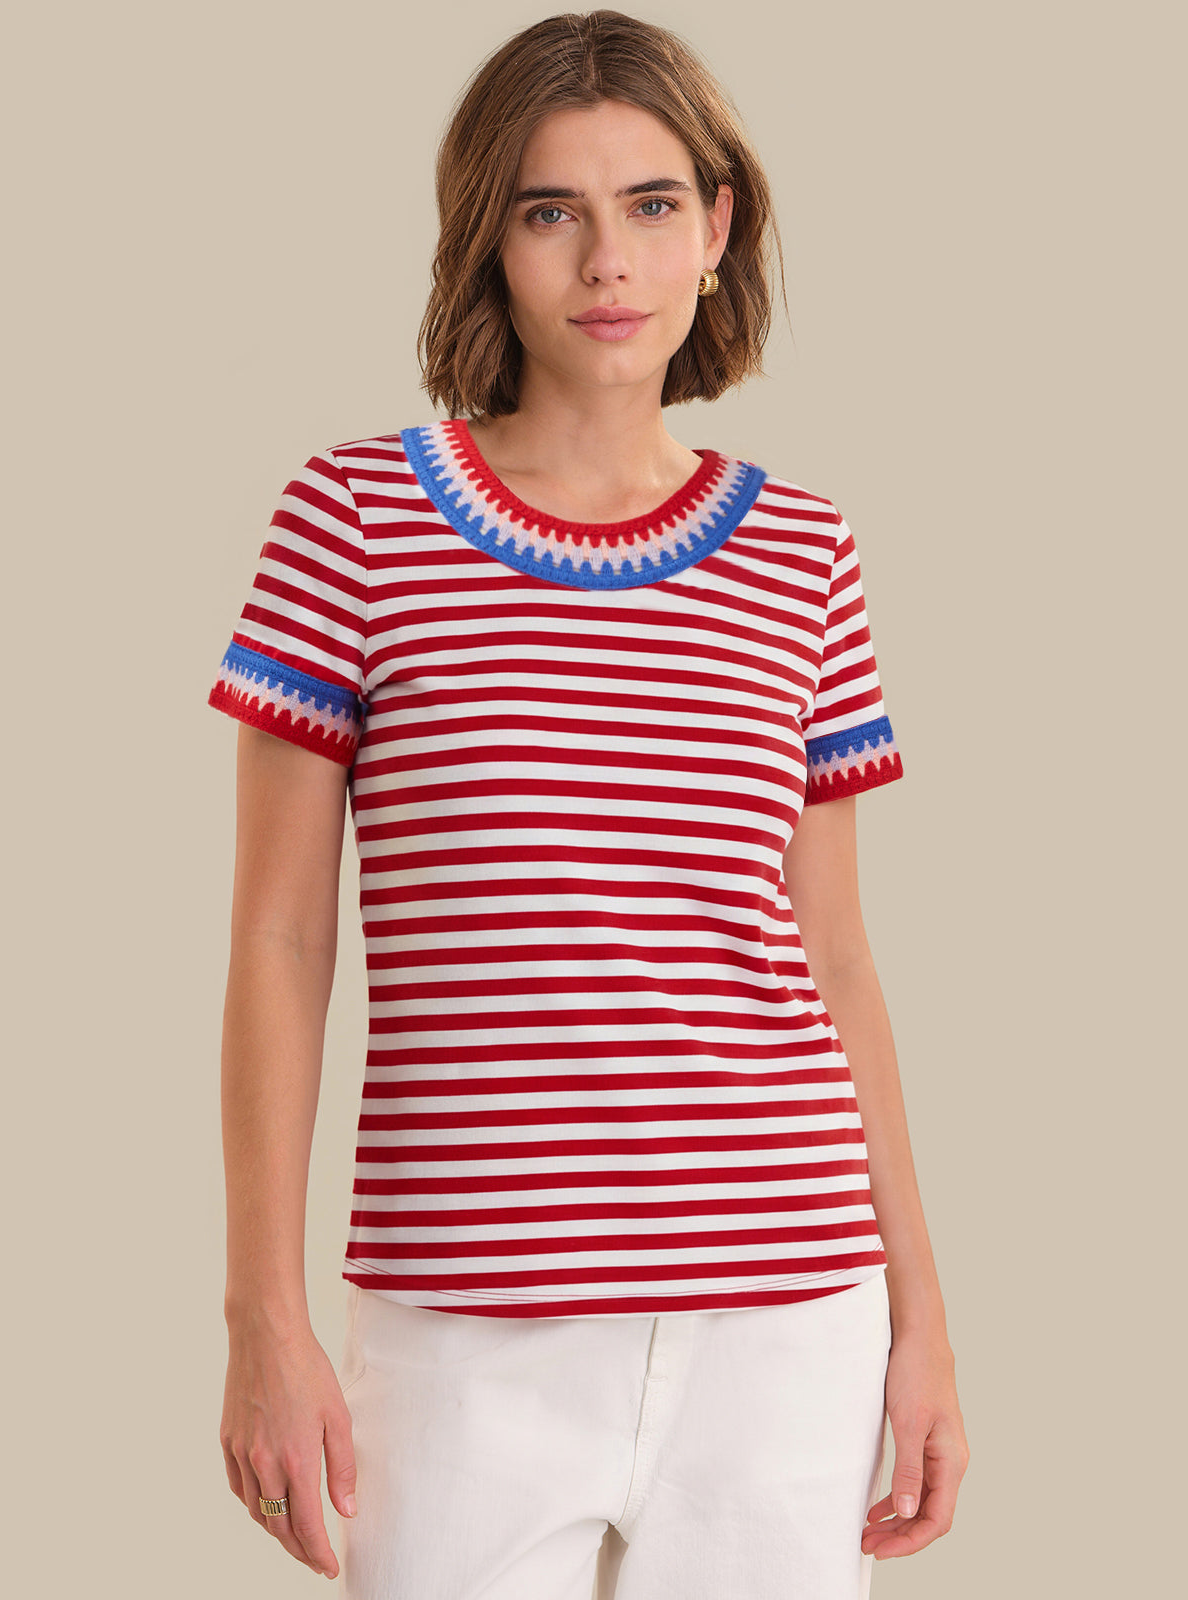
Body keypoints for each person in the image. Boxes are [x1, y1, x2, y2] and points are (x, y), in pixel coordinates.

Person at [210, 10, 969, 1598]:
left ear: (718, 228)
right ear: (486, 236)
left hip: (786, 1312)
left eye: (652, 204)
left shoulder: (804, 551)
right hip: (462, 1325)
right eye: (550, 209)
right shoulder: (354, 520)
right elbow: (280, 942)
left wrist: (923, 1323)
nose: (608, 261)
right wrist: (262, 1317)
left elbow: (838, 957)